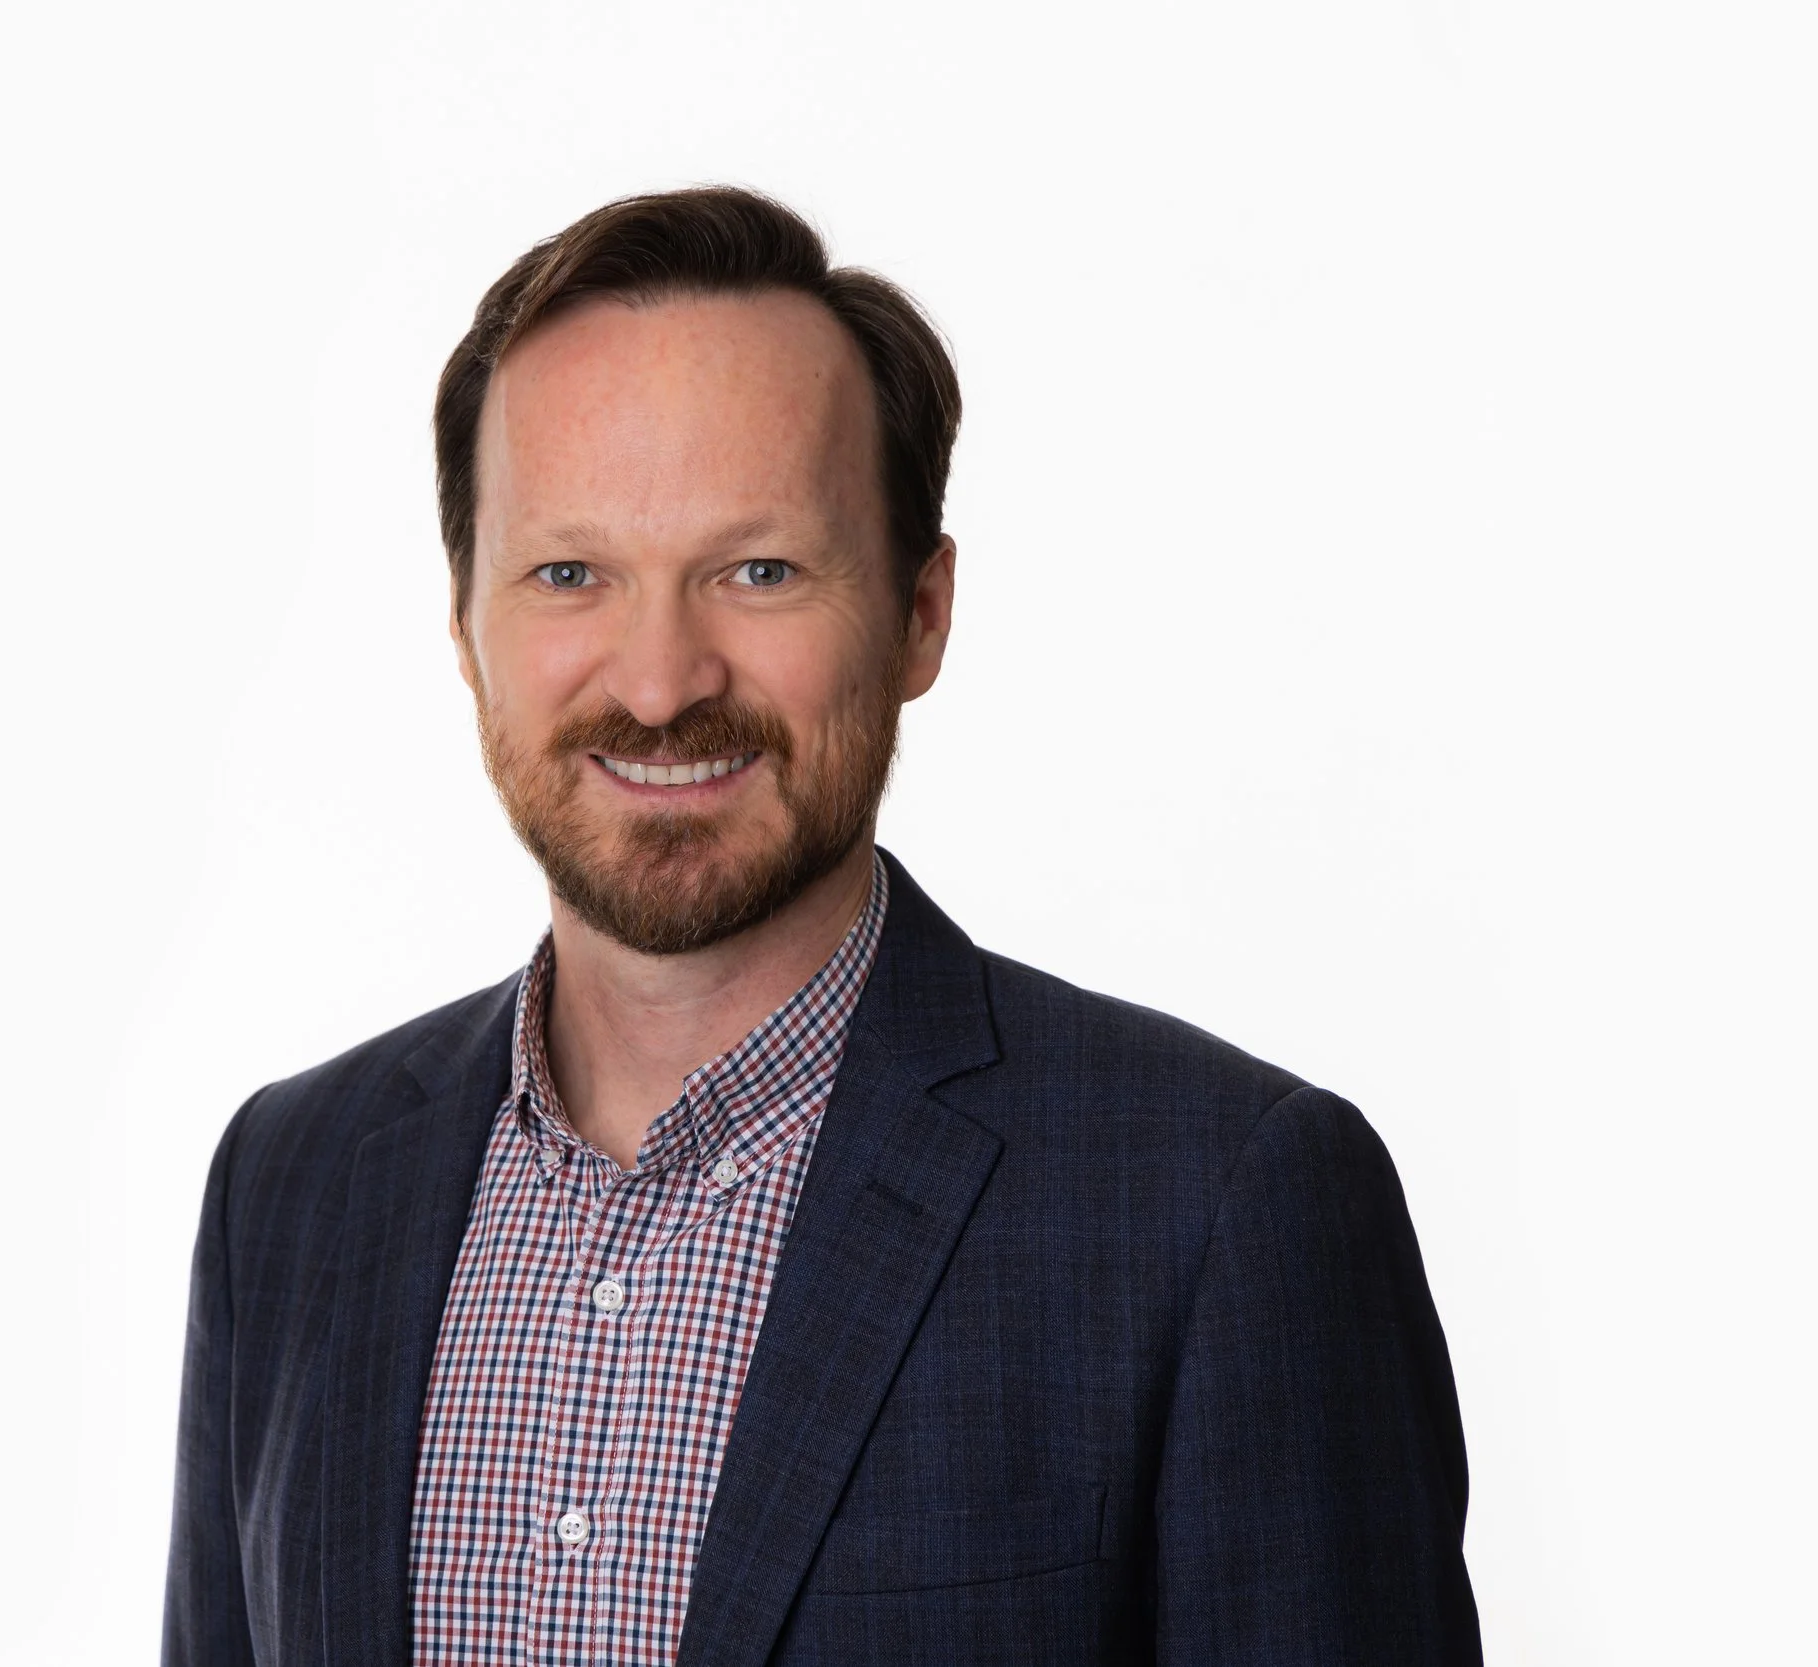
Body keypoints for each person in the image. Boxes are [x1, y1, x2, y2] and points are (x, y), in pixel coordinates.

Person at [163, 187, 1480, 1666]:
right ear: (466, 626)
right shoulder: (289, 1187)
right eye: (569, 572)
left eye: (761, 569)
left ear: (921, 613)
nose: (659, 681)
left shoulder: (1223, 1207)